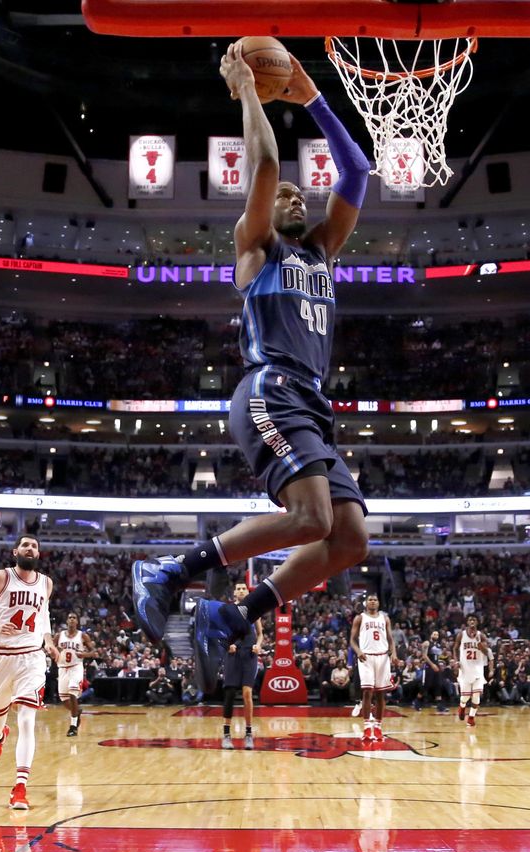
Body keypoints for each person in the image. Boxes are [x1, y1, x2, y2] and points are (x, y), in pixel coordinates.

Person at [131, 43, 371, 695]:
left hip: (311, 406)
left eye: (300, 194)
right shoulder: (257, 247)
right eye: (284, 196)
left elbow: (356, 172)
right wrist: (247, 90)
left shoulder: (320, 250)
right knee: (313, 519)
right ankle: (167, 572)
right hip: (271, 390)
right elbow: (265, 161)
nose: (294, 196)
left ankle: (232, 614)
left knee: (349, 540)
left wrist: (314, 98)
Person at [0, 535, 58, 810]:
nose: (30, 549)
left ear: (39, 554)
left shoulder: (46, 583)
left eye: (34, 546)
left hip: (31, 657)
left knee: (28, 720)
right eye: (25, 545)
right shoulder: (0, 578)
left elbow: (43, 617)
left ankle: (20, 787)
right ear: (15, 551)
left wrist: (50, 642)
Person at [221, 581, 264, 751]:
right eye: (238, 589)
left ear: (248, 591)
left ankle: (248, 734)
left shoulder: (255, 611)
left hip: (249, 653)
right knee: (230, 693)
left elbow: (260, 634)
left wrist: (258, 645)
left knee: (247, 693)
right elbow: (221, 634)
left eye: (243, 588)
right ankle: (226, 735)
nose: (241, 590)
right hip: (233, 653)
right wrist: (227, 644)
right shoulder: (227, 611)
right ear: (234, 593)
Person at [350, 593, 397, 742]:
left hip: (383, 657)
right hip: (366, 657)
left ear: (378, 603)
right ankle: (366, 728)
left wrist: (394, 654)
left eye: (375, 600)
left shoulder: (385, 618)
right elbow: (352, 639)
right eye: (370, 599)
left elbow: (390, 639)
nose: (372, 602)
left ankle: (378, 727)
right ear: (366, 602)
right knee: (367, 692)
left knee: (381, 694)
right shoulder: (360, 618)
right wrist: (358, 652)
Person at [56, 612, 98, 737]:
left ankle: (73, 726)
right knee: (64, 701)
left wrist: (84, 655)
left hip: (76, 667)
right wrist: (54, 650)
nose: (72, 619)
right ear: (67, 621)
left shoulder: (82, 636)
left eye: (74, 618)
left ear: (77, 622)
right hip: (62, 668)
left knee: (72, 694)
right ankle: (77, 711)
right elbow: (50, 647)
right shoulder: (59, 635)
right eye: (70, 617)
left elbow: (94, 652)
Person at [452, 615, 492, 727]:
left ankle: (471, 718)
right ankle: (462, 707)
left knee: (476, 696)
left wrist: (479, 643)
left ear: (477, 622)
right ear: (467, 622)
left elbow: (486, 653)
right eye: (470, 619)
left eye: (474, 619)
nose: (472, 621)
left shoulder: (481, 635)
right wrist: (456, 661)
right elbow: (455, 648)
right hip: (465, 669)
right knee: (465, 697)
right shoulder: (462, 635)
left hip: (478, 670)